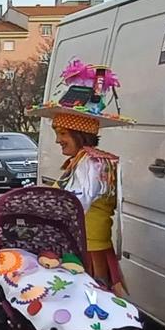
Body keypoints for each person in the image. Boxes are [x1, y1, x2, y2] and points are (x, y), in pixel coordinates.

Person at [32, 59, 131, 294]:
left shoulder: (91, 164)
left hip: (86, 248)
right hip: (90, 244)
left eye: (63, 133)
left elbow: (74, 205)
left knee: (87, 298)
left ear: (80, 134)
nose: (57, 140)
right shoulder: (94, 160)